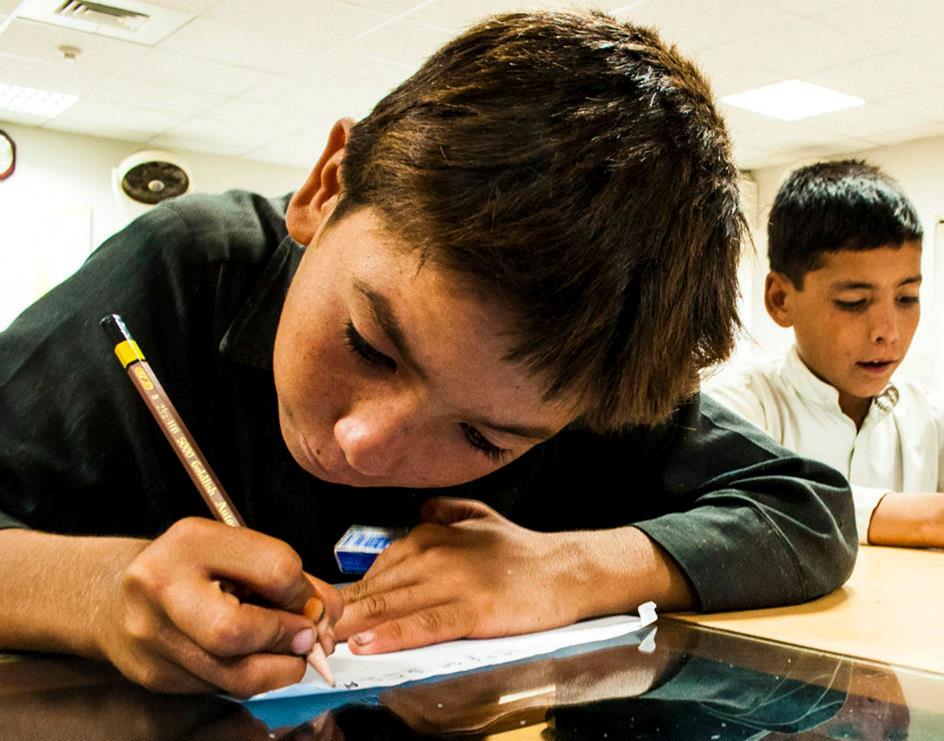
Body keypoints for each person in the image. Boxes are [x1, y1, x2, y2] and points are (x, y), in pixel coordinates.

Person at [0, 11, 855, 697]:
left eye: (486, 438)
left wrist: (568, 568)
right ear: (327, 187)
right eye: (369, 344)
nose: (367, 442)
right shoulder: (187, 270)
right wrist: (98, 589)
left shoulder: (593, 367)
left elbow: (807, 507)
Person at [706, 159, 944, 547]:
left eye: (906, 297)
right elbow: (753, 513)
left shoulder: (929, 418)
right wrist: (918, 520)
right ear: (781, 299)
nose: (888, 332)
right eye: (854, 301)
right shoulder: (737, 409)